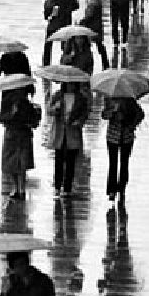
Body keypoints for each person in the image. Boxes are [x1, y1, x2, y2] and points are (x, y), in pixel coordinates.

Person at [48, 45, 91, 198]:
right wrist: (55, 109)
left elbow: (85, 113)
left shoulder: (80, 98)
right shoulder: (58, 96)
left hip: (72, 132)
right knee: (58, 160)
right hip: (60, 132)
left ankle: (67, 187)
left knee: (71, 161)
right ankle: (57, 185)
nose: (71, 85)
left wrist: (79, 122)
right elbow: (49, 110)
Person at [0, 78, 40, 200]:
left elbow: (33, 122)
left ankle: (21, 188)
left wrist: (33, 118)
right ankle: (15, 187)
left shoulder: (27, 104)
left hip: (23, 135)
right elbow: (1, 118)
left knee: (22, 163)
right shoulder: (7, 101)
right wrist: (11, 113)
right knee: (10, 163)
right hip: (11, 135)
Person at [101, 96, 145, 204]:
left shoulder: (130, 100)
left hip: (126, 137)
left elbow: (140, 114)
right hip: (112, 136)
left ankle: (122, 188)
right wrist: (112, 113)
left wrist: (131, 124)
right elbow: (104, 115)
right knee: (113, 163)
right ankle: (111, 189)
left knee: (124, 163)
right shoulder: (109, 99)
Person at [42, 0, 80, 66]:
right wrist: (67, 10)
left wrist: (47, 16)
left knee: (48, 44)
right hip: (66, 22)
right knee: (66, 44)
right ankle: (66, 60)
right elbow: (76, 6)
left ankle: (46, 63)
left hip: (54, 22)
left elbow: (48, 7)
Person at [79, 0, 110, 69]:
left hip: (91, 28)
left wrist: (81, 22)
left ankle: (88, 63)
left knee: (86, 46)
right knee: (100, 46)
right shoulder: (98, 3)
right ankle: (105, 63)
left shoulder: (92, 4)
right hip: (97, 27)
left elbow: (89, 16)